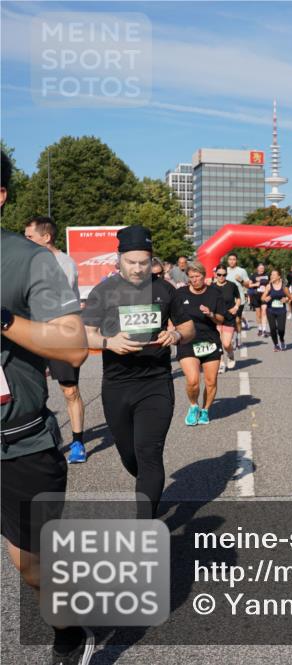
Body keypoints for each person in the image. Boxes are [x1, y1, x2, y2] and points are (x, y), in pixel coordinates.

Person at [2, 151, 94, 665]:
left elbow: (73, 346)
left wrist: (4, 320)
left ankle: (70, 631)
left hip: (17, 443)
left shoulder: (31, 260)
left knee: (31, 564)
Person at [82, 226, 194, 521]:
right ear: (119, 258)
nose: (137, 268)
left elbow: (188, 327)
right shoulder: (103, 291)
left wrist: (176, 335)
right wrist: (108, 342)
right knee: (130, 456)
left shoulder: (165, 290)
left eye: (144, 262)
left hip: (155, 382)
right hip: (117, 385)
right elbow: (86, 334)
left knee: (149, 454)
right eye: (131, 262)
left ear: (151, 260)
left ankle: (144, 527)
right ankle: (146, 482)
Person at [23, 216, 88, 464]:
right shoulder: (28, 262)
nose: (25, 240)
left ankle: (78, 442)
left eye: (30, 237)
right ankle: (38, 439)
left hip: (61, 335)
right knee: (32, 391)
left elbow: (55, 301)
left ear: (46, 237)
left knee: (69, 391)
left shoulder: (64, 263)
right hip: (32, 334)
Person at [174, 261, 224, 426]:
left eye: (197, 276)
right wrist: (172, 330)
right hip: (188, 340)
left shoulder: (214, 293)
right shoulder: (180, 293)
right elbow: (172, 315)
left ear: (204, 276)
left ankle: (205, 410)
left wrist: (210, 314)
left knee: (211, 381)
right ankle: (193, 405)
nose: (194, 280)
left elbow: (221, 319)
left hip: (209, 340)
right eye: (191, 277)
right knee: (193, 380)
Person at [211, 266, 240, 373]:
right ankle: (221, 363)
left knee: (226, 343)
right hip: (216, 318)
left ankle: (230, 354)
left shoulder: (232, 285)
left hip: (229, 317)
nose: (221, 277)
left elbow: (238, 298)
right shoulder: (211, 287)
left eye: (224, 275)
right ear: (215, 274)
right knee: (218, 342)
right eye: (219, 274)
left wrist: (236, 307)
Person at [261, 269, 289, 351]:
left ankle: (282, 340)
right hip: (271, 310)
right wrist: (266, 298)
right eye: (271, 275)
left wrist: (286, 299)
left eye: (274, 275)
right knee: (272, 328)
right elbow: (262, 298)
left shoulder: (284, 286)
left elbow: (290, 296)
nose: (271, 276)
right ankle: (276, 344)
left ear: (279, 276)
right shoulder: (269, 286)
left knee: (281, 329)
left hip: (281, 311)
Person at [225, 254, 251, 340]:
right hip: (227, 299)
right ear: (227, 260)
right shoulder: (225, 271)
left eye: (234, 259)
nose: (232, 261)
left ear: (236, 261)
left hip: (239, 299)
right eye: (230, 259)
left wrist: (241, 280)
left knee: (237, 320)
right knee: (228, 320)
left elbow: (248, 285)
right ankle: (231, 339)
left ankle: (238, 338)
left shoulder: (242, 271)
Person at [250, 264, 270, 337]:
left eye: (263, 268)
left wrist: (267, 288)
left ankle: (264, 330)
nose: (262, 269)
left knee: (264, 312)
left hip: (264, 296)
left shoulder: (267, 275)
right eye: (260, 268)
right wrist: (255, 284)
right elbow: (249, 285)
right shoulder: (253, 276)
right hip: (256, 296)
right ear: (257, 269)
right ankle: (260, 329)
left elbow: (270, 283)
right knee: (258, 313)